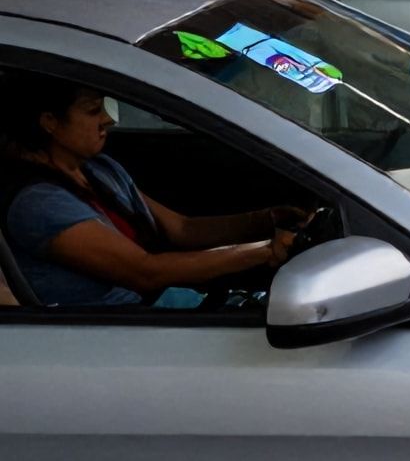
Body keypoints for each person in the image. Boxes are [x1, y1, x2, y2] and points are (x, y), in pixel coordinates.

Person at [0, 75, 305, 307]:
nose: (107, 119)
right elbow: (145, 272)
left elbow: (182, 229)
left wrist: (267, 219)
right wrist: (264, 251)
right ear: (50, 122)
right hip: (121, 330)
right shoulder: (37, 204)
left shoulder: (99, 169)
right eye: (93, 111)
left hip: (163, 306)